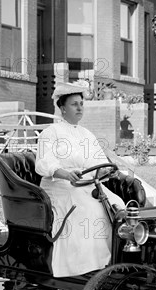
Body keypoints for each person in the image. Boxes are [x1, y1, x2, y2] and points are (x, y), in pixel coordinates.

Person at [35, 81, 125, 277]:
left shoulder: (86, 134)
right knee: (89, 211)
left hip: (85, 185)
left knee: (118, 205)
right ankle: (86, 268)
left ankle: (115, 260)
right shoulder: (50, 133)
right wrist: (64, 173)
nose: (79, 108)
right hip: (59, 186)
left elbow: (98, 161)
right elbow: (43, 163)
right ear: (62, 108)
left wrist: (104, 172)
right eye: (74, 104)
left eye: (81, 104)